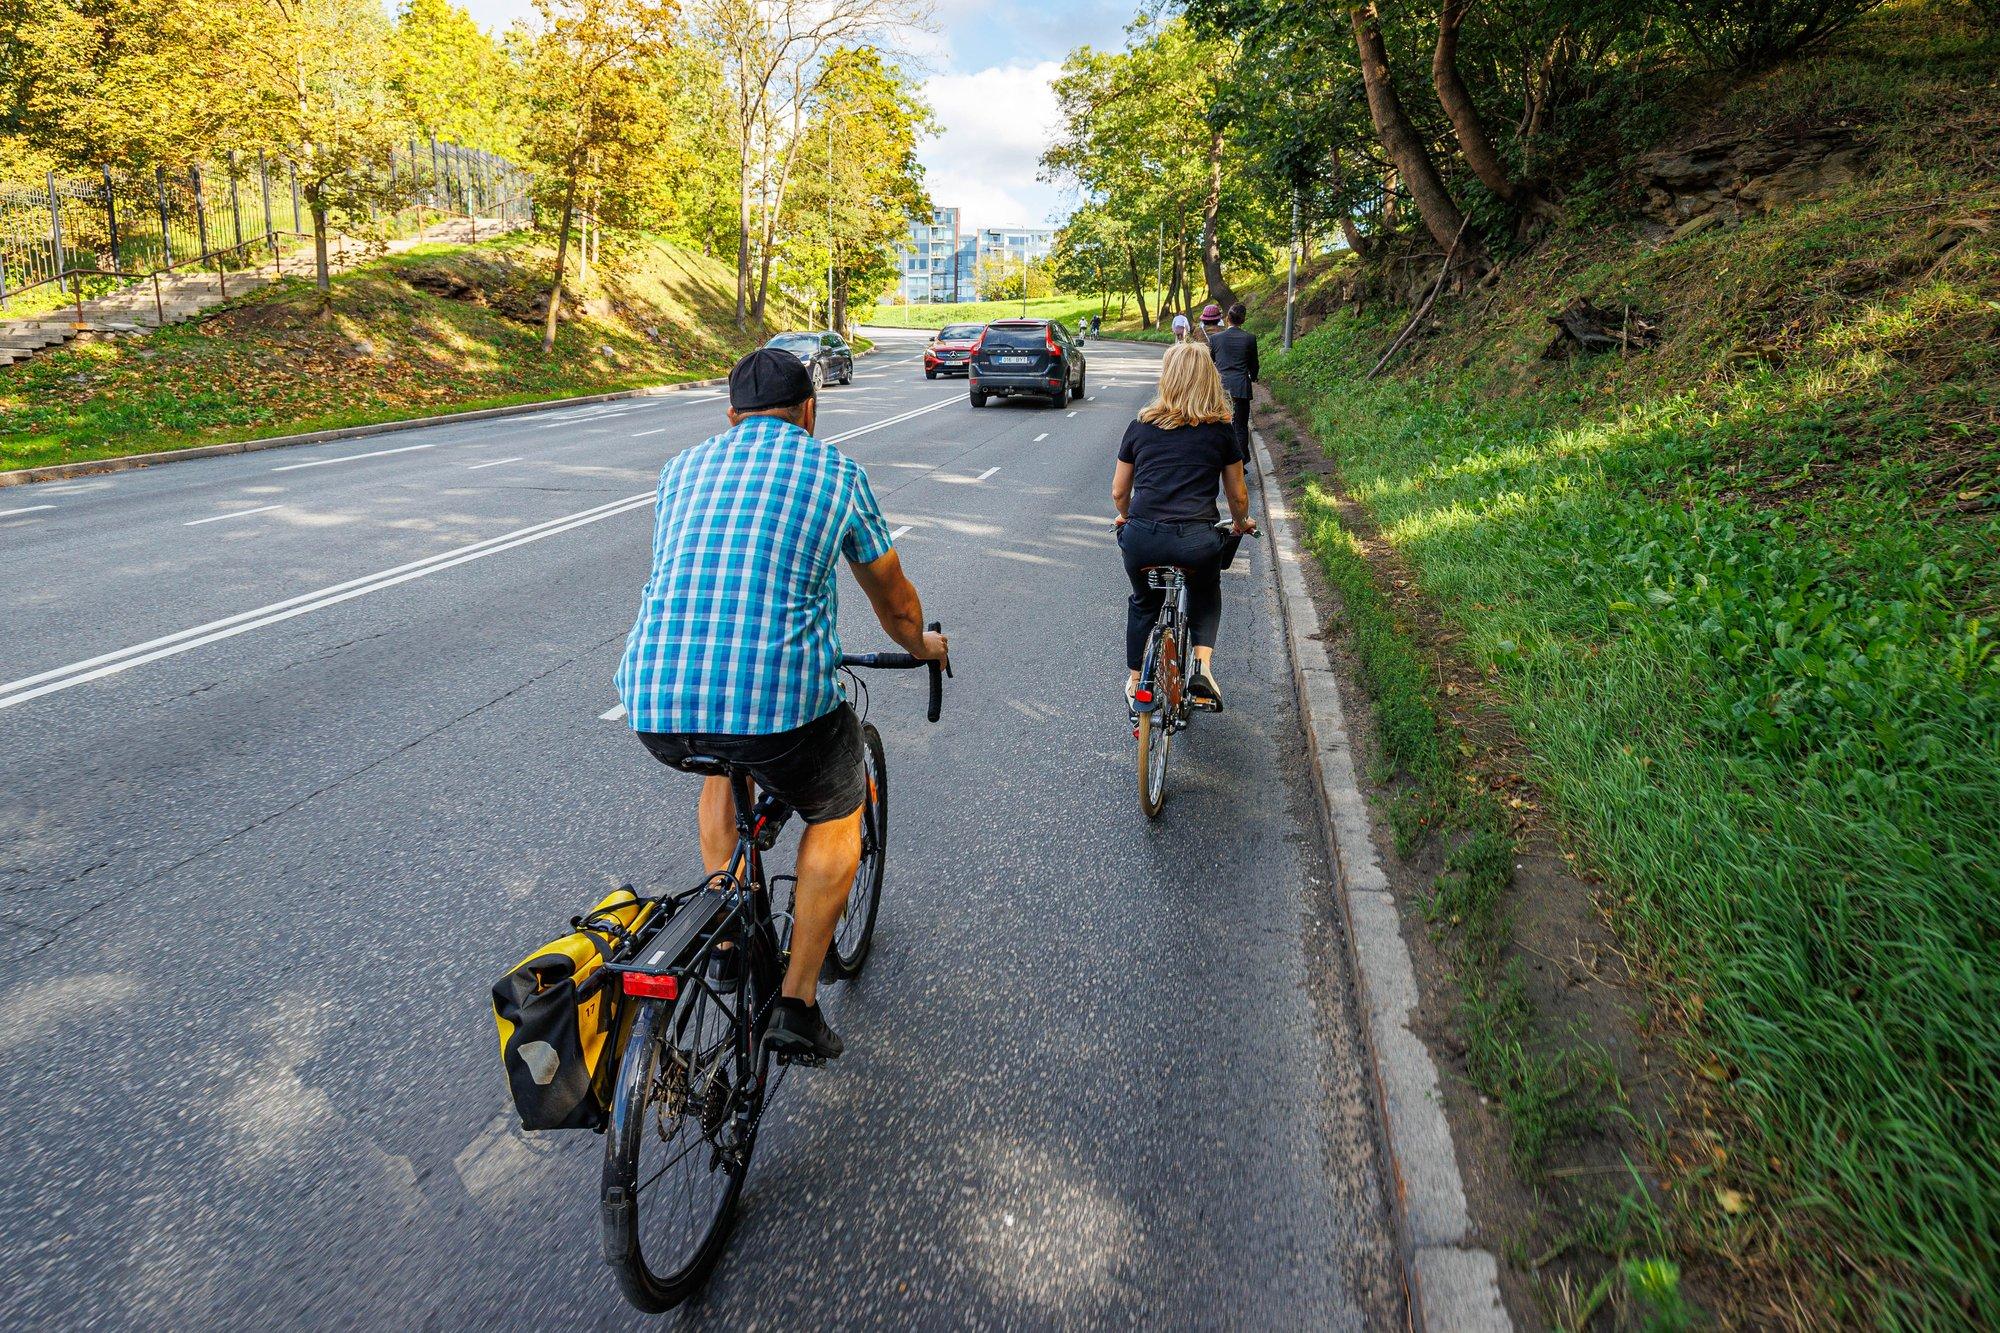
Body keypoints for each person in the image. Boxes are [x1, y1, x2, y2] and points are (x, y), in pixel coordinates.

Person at [614, 348, 948, 1063]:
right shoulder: (836, 473)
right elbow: (894, 602)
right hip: (781, 709)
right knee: (838, 803)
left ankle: (730, 935)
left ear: (731, 415)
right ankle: (797, 1003)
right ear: (809, 412)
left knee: (722, 761)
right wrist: (922, 645)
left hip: (655, 700)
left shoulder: (681, 469)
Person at [1113, 342, 1257, 714]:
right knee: (1205, 591)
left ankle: (1136, 682)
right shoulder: (1221, 432)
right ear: (1210, 379)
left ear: (1168, 378)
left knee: (1144, 601)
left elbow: (1119, 492)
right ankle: (1202, 669)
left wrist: (1126, 516)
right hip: (1196, 540)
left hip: (1142, 538)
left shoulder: (1139, 427)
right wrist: (1241, 523)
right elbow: (1238, 495)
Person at [1206, 302, 1260, 462]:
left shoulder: (1215, 339)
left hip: (1221, 387)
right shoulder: (1249, 338)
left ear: (1227, 318)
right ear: (1243, 320)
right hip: (1241, 387)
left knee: (1220, 425)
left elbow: (1210, 363)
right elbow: (1254, 364)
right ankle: (1240, 462)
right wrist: (1253, 376)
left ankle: (1221, 460)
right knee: (1240, 427)